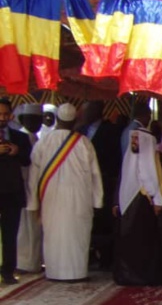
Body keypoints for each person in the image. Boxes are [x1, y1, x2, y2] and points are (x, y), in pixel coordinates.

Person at [27, 104, 102, 282]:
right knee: (77, 235)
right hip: (79, 198)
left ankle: (54, 272)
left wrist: (33, 203)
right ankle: (77, 273)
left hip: (50, 197)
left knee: (54, 234)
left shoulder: (43, 142)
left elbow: (33, 174)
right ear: (75, 120)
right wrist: (97, 201)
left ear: (57, 120)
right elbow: (95, 174)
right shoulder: (84, 142)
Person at [112, 128, 162, 285]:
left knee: (145, 244)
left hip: (146, 204)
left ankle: (143, 276)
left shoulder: (157, 158)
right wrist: (116, 202)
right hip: (130, 204)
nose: (134, 142)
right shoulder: (129, 157)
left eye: (137, 139)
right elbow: (122, 180)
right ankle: (128, 275)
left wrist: (158, 200)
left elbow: (158, 179)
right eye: (133, 138)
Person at [77, 100, 122, 271]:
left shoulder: (111, 130)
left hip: (104, 181)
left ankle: (105, 257)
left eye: (87, 111)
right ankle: (87, 255)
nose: (84, 114)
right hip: (82, 184)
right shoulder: (80, 131)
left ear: (97, 111)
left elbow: (115, 157)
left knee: (103, 222)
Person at [0, 98, 33, 284]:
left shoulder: (19, 137)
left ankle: (8, 271)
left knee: (10, 234)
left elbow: (27, 160)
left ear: (11, 116)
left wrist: (16, 151)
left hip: (12, 192)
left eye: (5, 115)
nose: (2, 118)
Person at [16, 104, 44, 274]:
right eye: (31, 119)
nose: (35, 123)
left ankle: (34, 261)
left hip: (35, 188)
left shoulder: (36, 138)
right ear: (23, 120)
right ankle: (23, 263)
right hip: (23, 186)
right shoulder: (20, 138)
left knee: (34, 227)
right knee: (24, 227)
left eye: (38, 119)